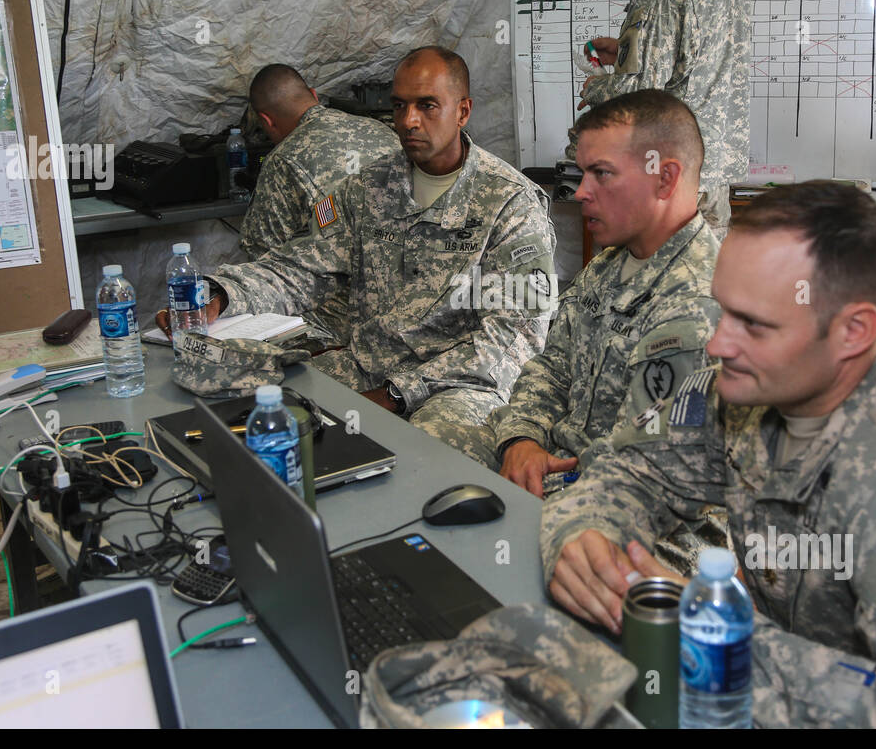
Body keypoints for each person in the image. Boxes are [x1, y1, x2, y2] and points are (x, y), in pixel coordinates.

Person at [542, 182, 876, 727]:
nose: (718, 343)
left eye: (754, 323)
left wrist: (716, 639)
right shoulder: (744, 390)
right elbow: (631, 471)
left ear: (853, 331)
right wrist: (583, 536)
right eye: (724, 311)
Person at [160, 46, 557, 436]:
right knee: (258, 408)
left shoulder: (510, 202)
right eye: (399, 106)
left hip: (459, 385)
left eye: (427, 105)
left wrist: (397, 394)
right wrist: (222, 295)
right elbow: (301, 267)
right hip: (370, 366)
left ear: (463, 111)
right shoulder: (370, 187)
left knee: (434, 446)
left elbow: (514, 338)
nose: (409, 121)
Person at [426, 90, 721, 566]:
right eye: (582, 173)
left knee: (478, 558)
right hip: (564, 472)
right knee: (432, 459)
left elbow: (642, 468)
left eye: (601, 174)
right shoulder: (610, 265)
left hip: (646, 525)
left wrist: (538, 481)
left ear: (665, 178)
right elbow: (551, 364)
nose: (580, 191)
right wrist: (521, 438)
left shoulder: (699, 303)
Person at [573, 0, 749, 232]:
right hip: (712, 178)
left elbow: (641, 94)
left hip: (671, 181)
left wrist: (598, 87)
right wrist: (623, 49)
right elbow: (690, 62)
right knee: (706, 285)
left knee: (660, 286)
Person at [239, 64, 401, 260]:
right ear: (314, 96)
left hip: (347, 282)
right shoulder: (382, 130)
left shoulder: (283, 159)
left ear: (267, 121)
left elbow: (261, 252)